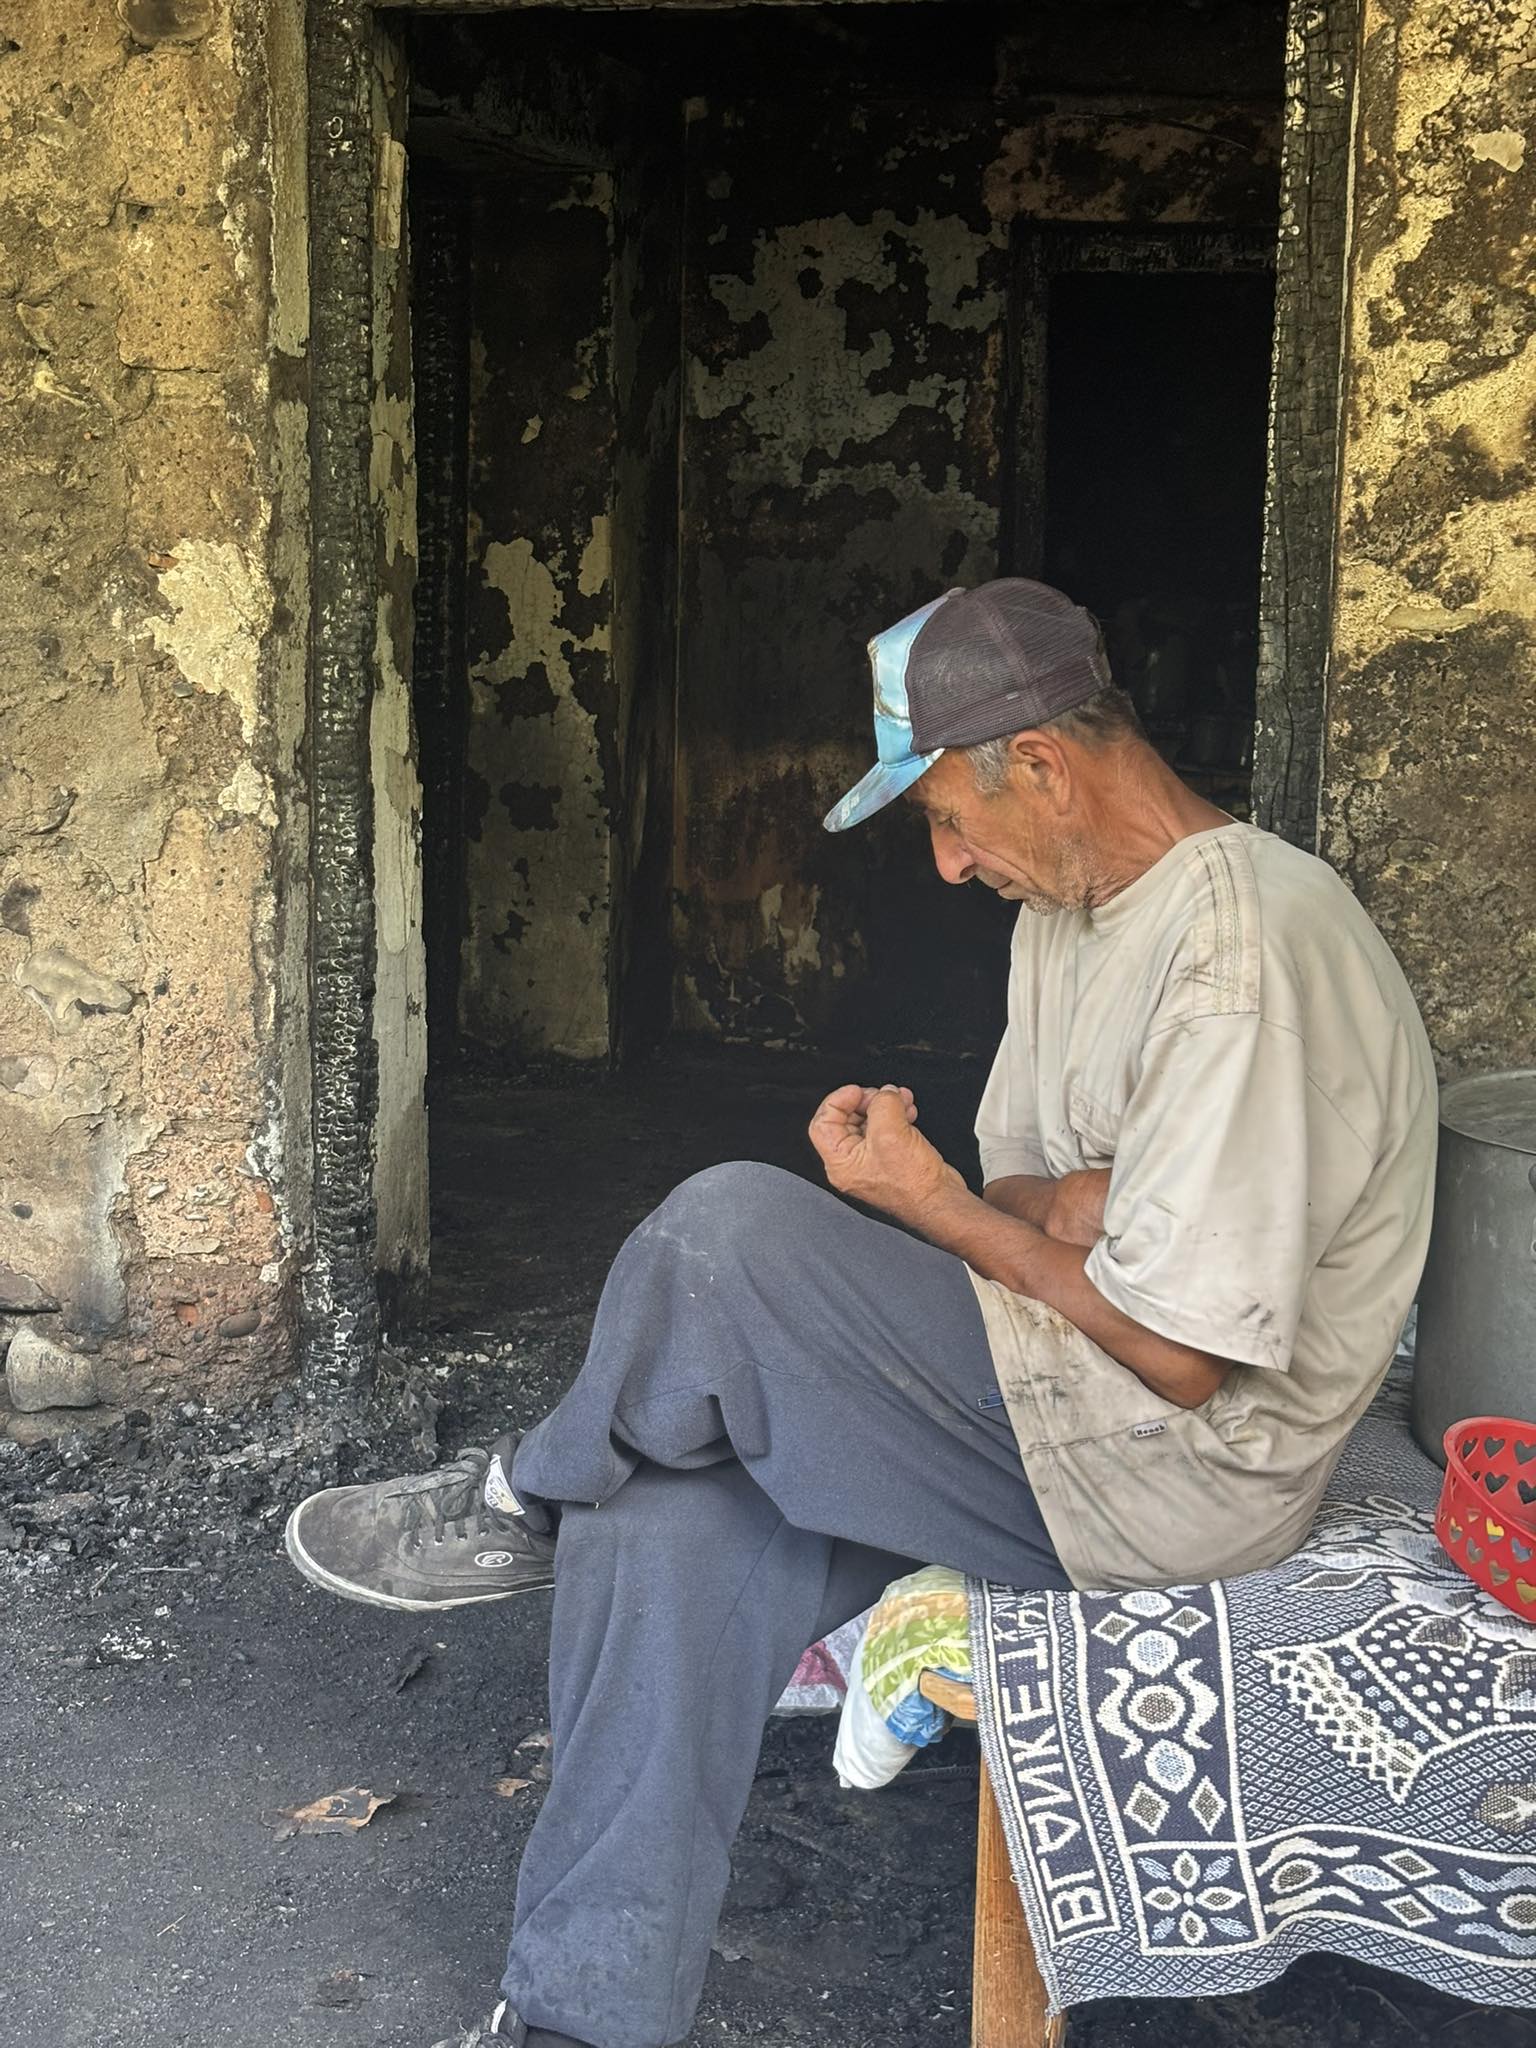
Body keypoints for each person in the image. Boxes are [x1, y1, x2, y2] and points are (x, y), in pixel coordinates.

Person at [285, 579, 1438, 2048]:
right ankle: (583, 2016)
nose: (949, 867)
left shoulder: (1243, 953)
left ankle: (528, 1496)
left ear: (1041, 762)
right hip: (1047, 1403)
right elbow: (1025, 1186)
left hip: (1176, 1472)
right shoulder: (1069, 910)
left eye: (951, 821)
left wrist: (935, 1207)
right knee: (668, 1520)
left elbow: (1179, 1356)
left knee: (728, 1235)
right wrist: (1057, 1206)